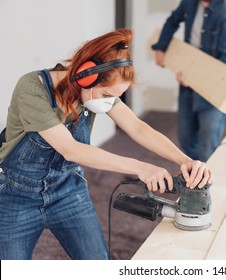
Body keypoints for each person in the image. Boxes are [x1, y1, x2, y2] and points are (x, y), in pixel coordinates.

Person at [0, 29, 212, 260]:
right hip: (16, 196)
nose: (108, 103)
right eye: (106, 95)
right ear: (85, 77)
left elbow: (137, 127)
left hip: (68, 190)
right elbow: (70, 149)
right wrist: (141, 167)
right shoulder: (32, 88)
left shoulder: (94, 92)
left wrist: (185, 160)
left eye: (114, 97)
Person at [152, 0, 226, 162]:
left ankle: (207, 182)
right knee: (185, 139)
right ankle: (195, 177)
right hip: (187, 83)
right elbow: (172, 21)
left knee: (208, 146)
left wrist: (196, 77)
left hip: (213, 88)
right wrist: (160, 47)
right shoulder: (190, 3)